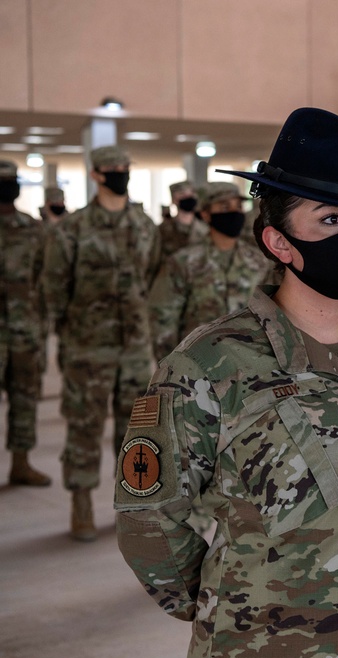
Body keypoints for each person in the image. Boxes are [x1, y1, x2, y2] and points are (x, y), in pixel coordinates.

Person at [113, 108, 338, 658]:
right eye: (332, 219)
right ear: (279, 242)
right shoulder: (210, 362)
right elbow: (148, 519)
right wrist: (234, 604)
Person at [43, 145, 160, 540]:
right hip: (88, 348)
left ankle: (130, 505)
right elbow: (54, 289)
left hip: (135, 349)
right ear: (95, 174)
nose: (121, 173)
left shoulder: (144, 225)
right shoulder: (72, 229)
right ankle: (80, 501)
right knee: (84, 426)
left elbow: (152, 278)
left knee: (137, 433)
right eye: (113, 168)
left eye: (126, 167)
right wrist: (71, 334)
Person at [148, 182, 271, 361]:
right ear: (206, 214)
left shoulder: (259, 262)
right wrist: (171, 365)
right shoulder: (183, 262)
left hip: (250, 364)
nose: (234, 213)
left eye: (238, 206)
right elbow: (162, 319)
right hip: (197, 365)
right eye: (224, 207)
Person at [0, 160, 51, 486]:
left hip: (25, 328)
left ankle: (21, 463)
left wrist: (43, 326)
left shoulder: (33, 228)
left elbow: (46, 279)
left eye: (11, 181)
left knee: (25, 397)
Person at [159, 180, 209, 258]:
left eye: (191, 193)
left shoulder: (206, 230)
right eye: (182, 194)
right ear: (174, 200)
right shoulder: (162, 231)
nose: (188, 197)